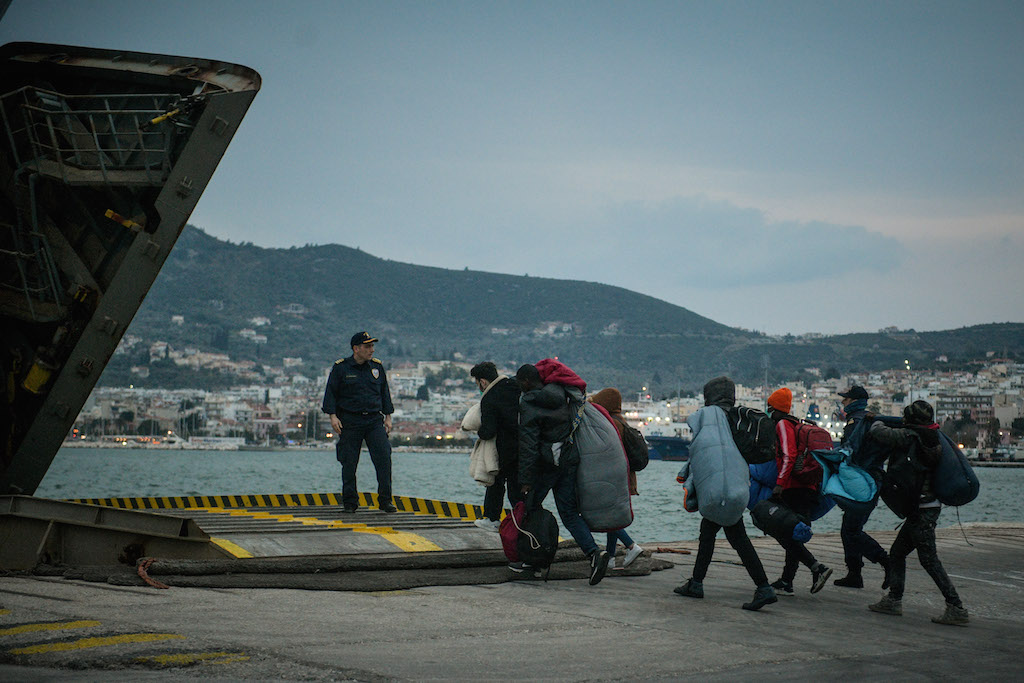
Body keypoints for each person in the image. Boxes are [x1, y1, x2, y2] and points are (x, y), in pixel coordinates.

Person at [674, 376, 777, 611]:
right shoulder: (738, 419)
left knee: (729, 538)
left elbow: (702, 453)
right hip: (736, 485)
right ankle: (698, 583)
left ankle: (763, 587)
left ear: (709, 395)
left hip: (718, 489)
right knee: (717, 535)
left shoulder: (710, 417)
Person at [867, 400, 969, 626]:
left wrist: (875, 418)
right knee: (897, 553)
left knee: (929, 560)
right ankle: (894, 600)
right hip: (927, 507)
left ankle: (956, 606)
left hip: (921, 510)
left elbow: (878, 432)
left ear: (911, 420)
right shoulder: (933, 437)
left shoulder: (910, 437)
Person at [516, 363, 610, 585]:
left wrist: (526, 480)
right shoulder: (560, 394)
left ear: (527, 382)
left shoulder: (529, 403)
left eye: (521, 383)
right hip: (568, 459)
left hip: (547, 464)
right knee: (568, 513)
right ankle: (594, 553)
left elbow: (529, 444)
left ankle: (535, 560)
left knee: (530, 507)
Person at [764, 387, 832, 595]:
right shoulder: (796, 423)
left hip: (795, 488)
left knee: (784, 532)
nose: (768, 413)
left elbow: (788, 455)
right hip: (807, 488)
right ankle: (787, 580)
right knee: (793, 532)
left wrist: (780, 484)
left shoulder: (783, 425)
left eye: (769, 409)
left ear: (775, 409)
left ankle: (817, 568)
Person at [321, 331, 396, 513]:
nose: (372, 349)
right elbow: (331, 392)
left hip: (373, 420)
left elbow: (384, 392)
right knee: (349, 462)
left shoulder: (377, 367)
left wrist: (388, 416)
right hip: (350, 420)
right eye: (367, 346)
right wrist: (332, 416)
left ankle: (385, 501)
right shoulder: (341, 368)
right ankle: (350, 502)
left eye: (372, 346)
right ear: (356, 348)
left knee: (384, 458)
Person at [833, 385, 890, 588]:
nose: (842, 402)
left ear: (854, 401)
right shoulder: (870, 419)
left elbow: (851, 452)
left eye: (846, 399)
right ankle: (854, 574)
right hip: (872, 479)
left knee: (851, 530)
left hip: (862, 481)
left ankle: (886, 562)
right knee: (850, 527)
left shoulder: (855, 423)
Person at [589, 388, 644, 569]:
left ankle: (631, 545)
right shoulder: (622, 421)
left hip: (615, 477)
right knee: (613, 515)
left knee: (609, 517)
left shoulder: (610, 424)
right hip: (626, 476)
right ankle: (611, 558)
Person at [469, 362, 522, 531]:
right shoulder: (514, 386)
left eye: (477, 383)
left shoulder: (490, 398)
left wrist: (479, 432)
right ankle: (523, 520)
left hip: (503, 449)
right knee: (517, 489)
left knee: (495, 484)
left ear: (482, 382)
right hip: (524, 446)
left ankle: (492, 519)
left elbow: (488, 431)